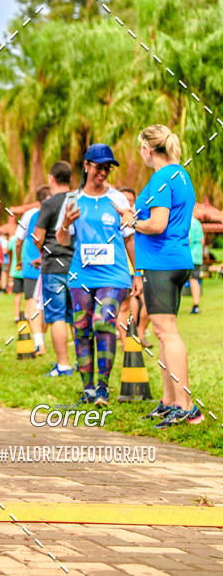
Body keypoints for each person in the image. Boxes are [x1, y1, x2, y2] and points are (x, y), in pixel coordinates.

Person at [119, 125, 203, 427]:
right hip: (176, 260)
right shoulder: (180, 174)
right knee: (163, 332)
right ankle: (170, 402)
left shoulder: (161, 177)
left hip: (162, 263)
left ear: (147, 149)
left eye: (140, 148)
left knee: (167, 333)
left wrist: (131, 221)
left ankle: (187, 406)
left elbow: (157, 224)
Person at [56, 145, 134, 406]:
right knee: (81, 329)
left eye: (107, 168)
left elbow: (130, 239)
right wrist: (66, 224)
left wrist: (139, 273)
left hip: (114, 275)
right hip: (81, 276)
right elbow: (62, 239)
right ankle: (88, 388)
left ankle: (103, 388)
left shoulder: (118, 200)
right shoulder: (72, 200)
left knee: (103, 322)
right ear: (86, 165)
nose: (103, 172)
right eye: (99, 167)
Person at [33, 161, 74, 376]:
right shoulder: (78, 200)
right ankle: (83, 362)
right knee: (76, 316)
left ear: (51, 178)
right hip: (76, 265)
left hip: (53, 266)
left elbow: (37, 236)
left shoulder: (49, 204)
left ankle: (63, 365)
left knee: (57, 316)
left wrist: (42, 250)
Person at [15, 186, 50, 354]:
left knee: (31, 302)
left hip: (31, 264)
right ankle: (40, 339)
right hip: (49, 264)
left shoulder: (29, 215)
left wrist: (18, 260)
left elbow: (18, 241)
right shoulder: (58, 212)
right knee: (46, 303)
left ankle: (38, 341)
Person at [115, 186, 151, 349]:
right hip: (122, 268)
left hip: (140, 267)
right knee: (125, 306)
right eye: (124, 200)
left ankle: (140, 334)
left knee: (149, 304)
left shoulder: (141, 219)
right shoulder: (115, 220)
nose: (127, 203)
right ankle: (126, 341)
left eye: (130, 200)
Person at [188, 214, 205, 314]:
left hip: (190, 256)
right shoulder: (198, 223)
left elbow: (188, 239)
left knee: (192, 280)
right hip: (198, 256)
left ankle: (195, 305)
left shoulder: (187, 221)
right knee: (195, 280)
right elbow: (202, 241)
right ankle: (196, 303)